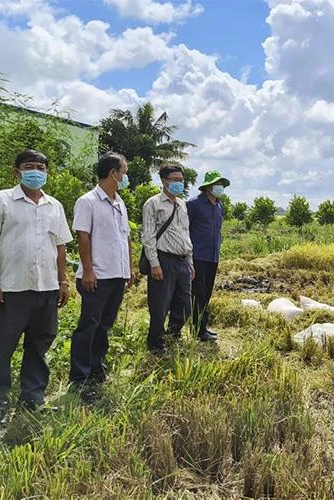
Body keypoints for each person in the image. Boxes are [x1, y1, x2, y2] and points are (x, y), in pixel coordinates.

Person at [0, 150, 72, 421]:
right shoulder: (0, 200)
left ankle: (33, 398)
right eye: (29, 166)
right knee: (3, 349)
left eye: (41, 167)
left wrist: (63, 281)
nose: (35, 171)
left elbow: (60, 246)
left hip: (47, 289)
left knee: (39, 347)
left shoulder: (55, 205)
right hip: (11, 289)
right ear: (16, 171)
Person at [69, 152, 135, 402]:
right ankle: (79, 377)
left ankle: (96, 368)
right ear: (113, 174)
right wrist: (87, 270)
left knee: (104, 325)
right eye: (124, 172)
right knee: (88, 326)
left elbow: (125, 237)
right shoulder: (88, 202)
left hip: (117, 274)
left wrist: (128, 269)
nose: (125, 177)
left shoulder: (119, 203)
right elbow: (83, 237)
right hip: (96, 275)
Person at [142, 166, 194, 353]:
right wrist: (154, 264)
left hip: (182, 261)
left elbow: (185, 233)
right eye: (175, 179)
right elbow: (148, 236)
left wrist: (190, 261)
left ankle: (173, 334)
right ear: (164, 181)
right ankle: (155, 343)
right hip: (163, 260)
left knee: (185, 306)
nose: (179, 183)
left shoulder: (182, 204)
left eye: (181, 179)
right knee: (160, 306)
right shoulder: (153, 203)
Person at [187, 170, 230, 342]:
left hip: (213, 256)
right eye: (216, 184)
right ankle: (197, 330)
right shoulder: (194, 204)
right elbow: (185, 229)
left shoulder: (219, 206)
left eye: (221, 185)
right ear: (207, 187)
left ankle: (202, 326)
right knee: (198, 294)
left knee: (207, 293)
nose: (219, 188)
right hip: (198, 256)